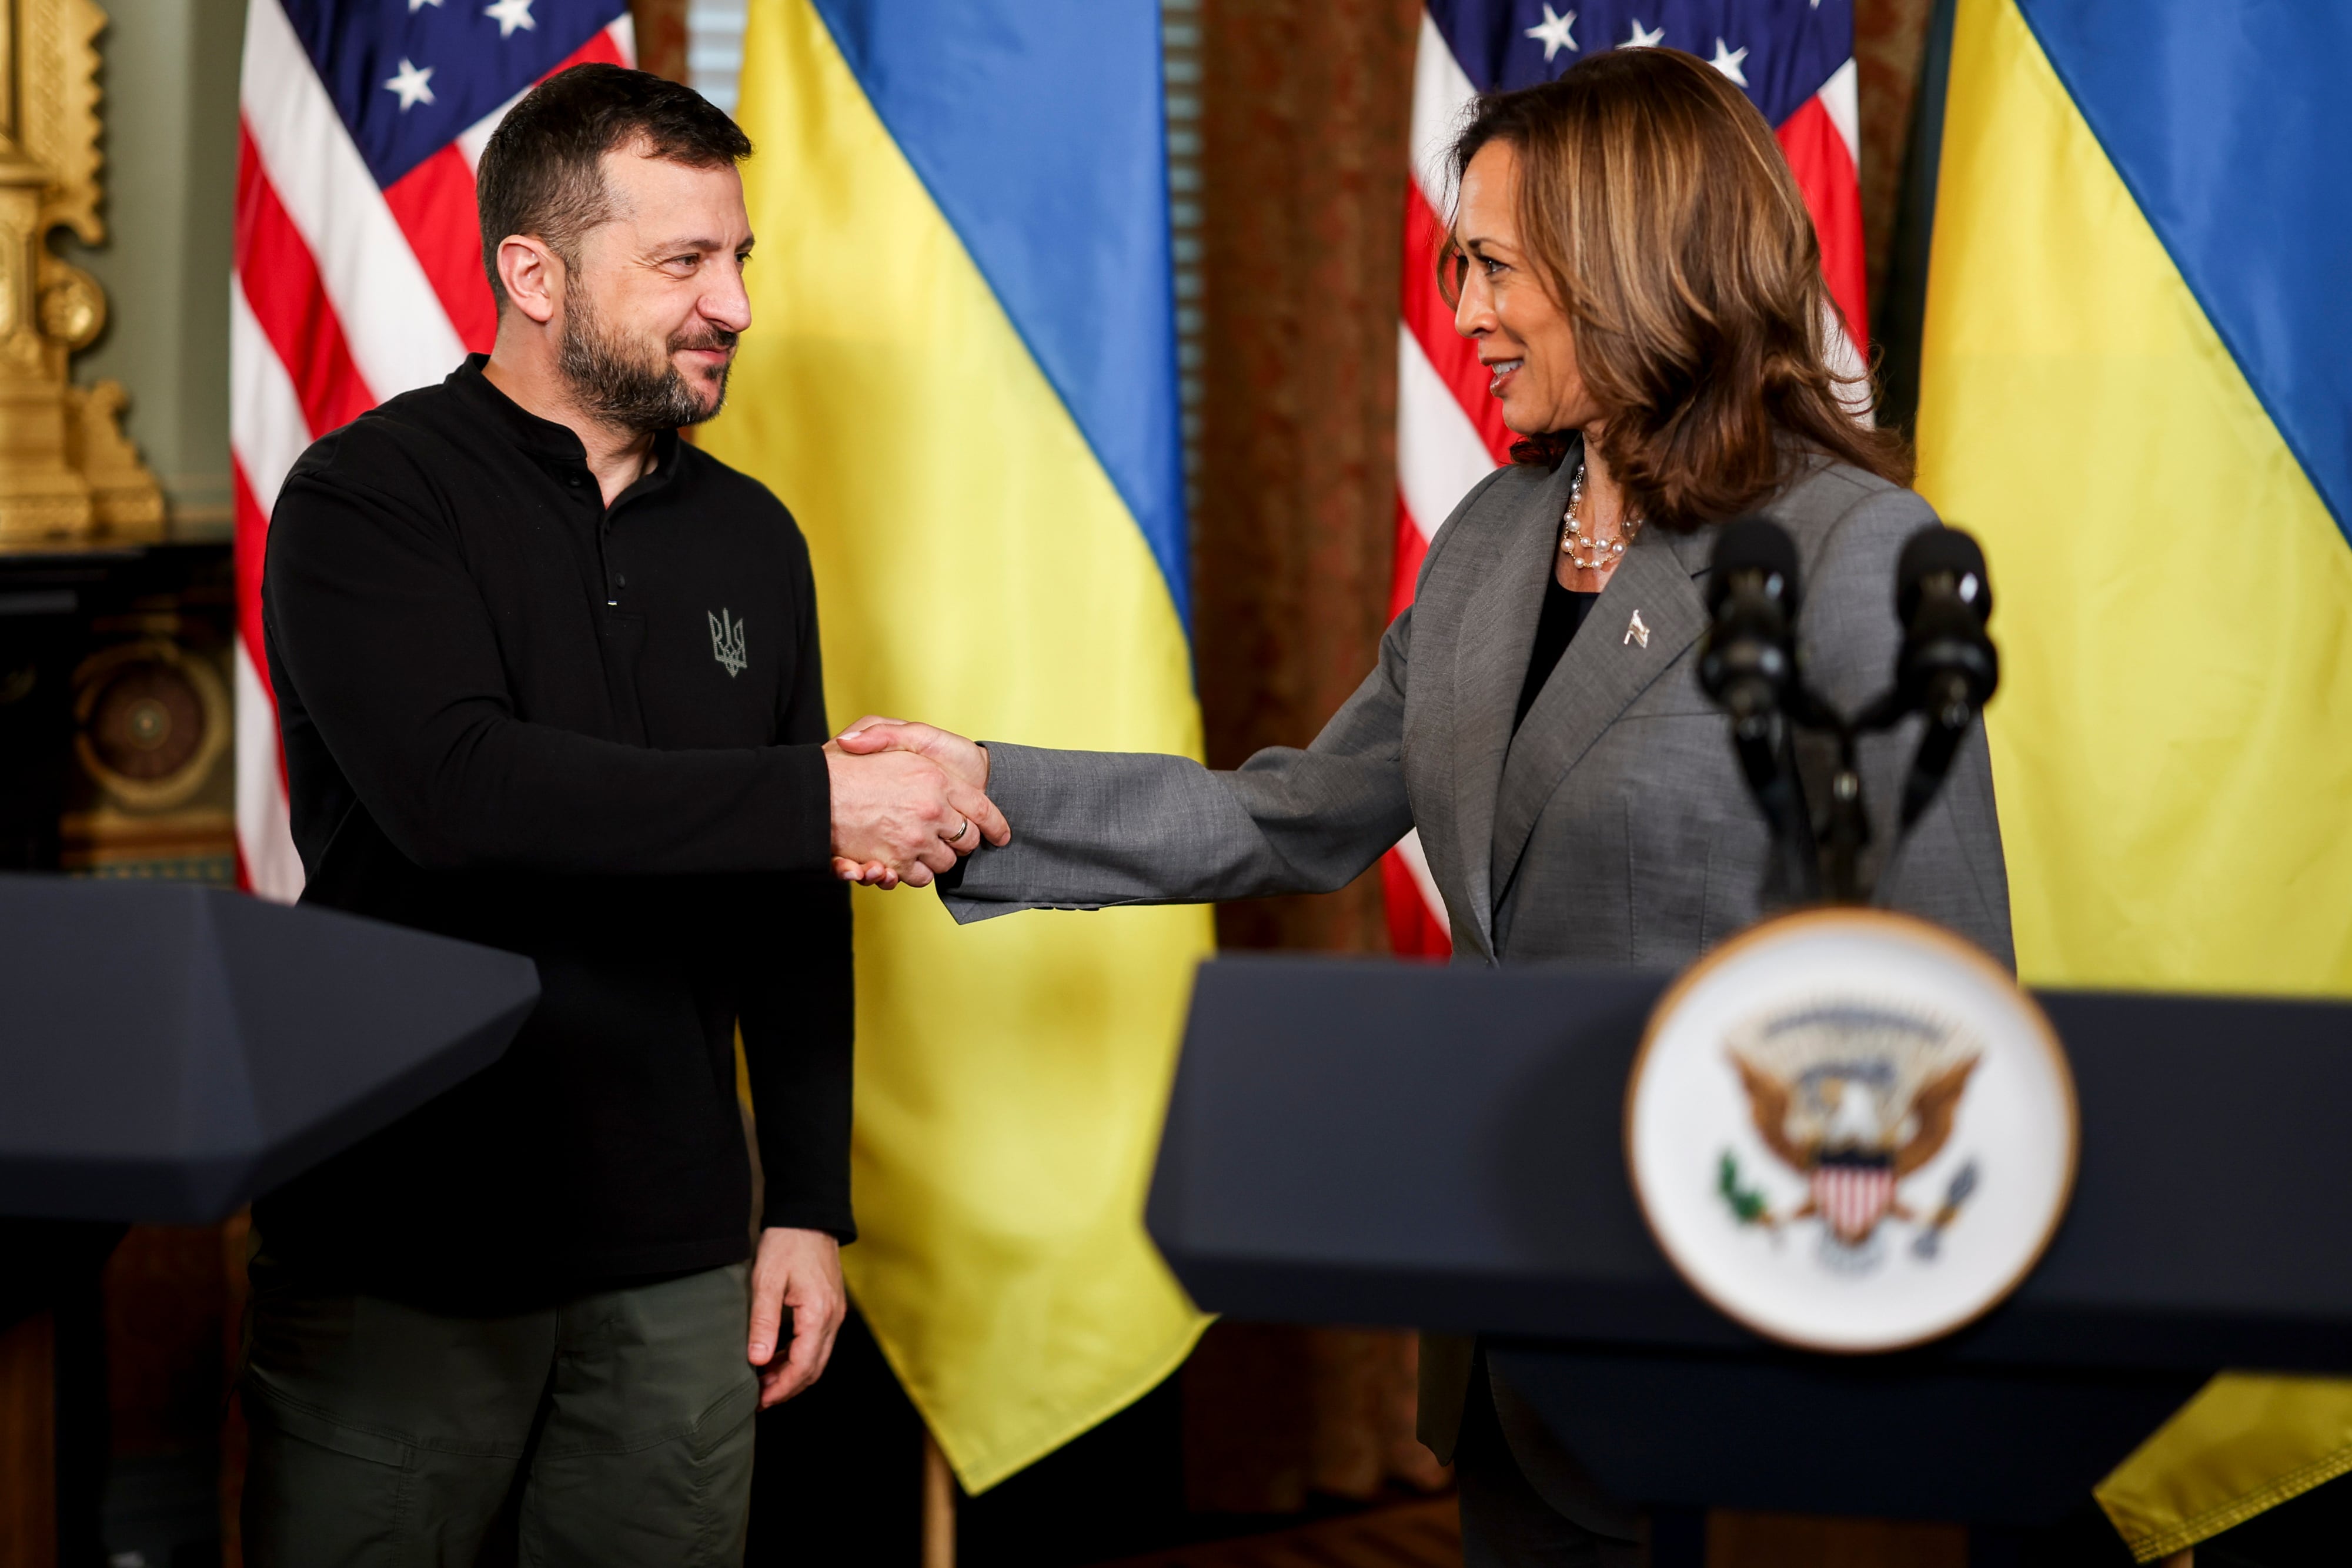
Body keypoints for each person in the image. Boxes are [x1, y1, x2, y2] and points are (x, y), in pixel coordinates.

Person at [833, 48, 2011, 1566]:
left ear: (1629, 262)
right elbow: (1293, 815)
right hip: (1517, 1316)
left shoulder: (1848, 546)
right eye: (1456, 261)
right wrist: (980, 788)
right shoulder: (1493, 538)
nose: (1459, 311)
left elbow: (1954, 985)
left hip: (1760, 1328)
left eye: (1494, 265)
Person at [249, 64, 1004, 1564]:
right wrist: (815, 795)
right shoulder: (364, 499)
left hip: (676, 1251)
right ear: (532, 273)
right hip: (403, 1237)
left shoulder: (751, 535)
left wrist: (804, 1202)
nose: (731, 303)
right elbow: (460, 794)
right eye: (682, 263)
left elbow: (792, 899)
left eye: (738, 261)